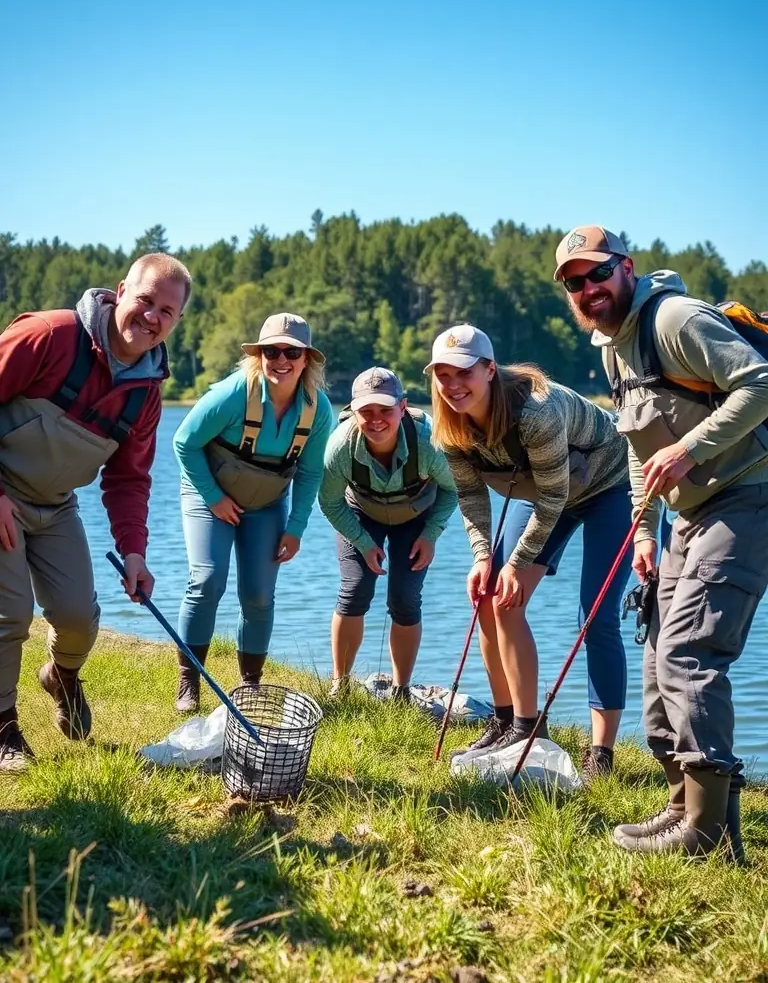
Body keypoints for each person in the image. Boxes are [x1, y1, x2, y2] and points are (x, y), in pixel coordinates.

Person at [554, 224, 768, 857]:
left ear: (626, 267)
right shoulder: (611, 347)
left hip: (748, 498)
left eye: (597, 273)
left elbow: (760, 383)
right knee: (655, 659)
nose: (588, 288)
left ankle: (706, 835)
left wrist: (690, 448)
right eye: (573, 282)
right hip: (684, 514)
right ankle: (686, 807)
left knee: (689, 654)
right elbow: (637, 442)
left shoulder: (673, 319)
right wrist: (644, 529)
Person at [0, 253, 190, 771]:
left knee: (80, 619)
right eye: (146, 300)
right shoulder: (50, 335)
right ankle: (4, 730)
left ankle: (61, 677)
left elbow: (128, 479)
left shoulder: (147, 393)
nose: (152, 317)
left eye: (166, 312)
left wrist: (134, 553)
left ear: (177, 321)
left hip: (56, 508)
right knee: (9, 614)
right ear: (121, 289)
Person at [427, 324, 632, 779]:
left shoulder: (536, 412)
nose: (453, 384)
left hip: (607, 486)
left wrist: (518, 563)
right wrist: (483, 557)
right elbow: (472, 497)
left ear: (488, 369)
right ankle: (513, 724)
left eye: (463, 373)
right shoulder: (448, 426)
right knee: (491, 596)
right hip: (542, 492)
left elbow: (554, 499)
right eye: (442, 374)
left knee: (595, 619)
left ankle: (602, 752)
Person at [172, 313, 333, 712]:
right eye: (271, 351)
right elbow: (184, 443)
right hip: (209, 498)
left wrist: (295, 527)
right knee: (207, 580)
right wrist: (213, 497)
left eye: (291, 352)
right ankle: (189, 681)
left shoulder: (318, 410)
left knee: (259, 595)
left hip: (267, 506)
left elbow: (311, 472)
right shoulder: (232, 394)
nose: (281, 359)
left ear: (306, 359)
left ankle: (250, 686)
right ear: (259, 355)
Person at [318, 367, 458, 701]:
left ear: (403, 406)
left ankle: (401, 689)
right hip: (359, 514)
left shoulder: (430, 444)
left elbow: (453, 491)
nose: (376, 419)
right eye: (366, 411)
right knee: (355, 589)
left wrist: (431, 535)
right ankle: (341, 685)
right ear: (353, 412)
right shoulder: (339, 448)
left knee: (405, 598)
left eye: (385, 410)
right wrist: (365, 545)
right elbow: (330, 503)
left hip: (416, 518)